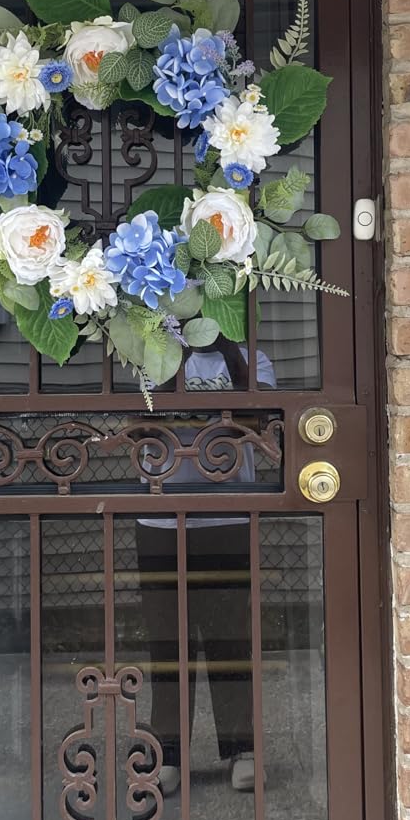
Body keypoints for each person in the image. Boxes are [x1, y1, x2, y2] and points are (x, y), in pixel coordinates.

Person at [134, 341, 276, 796]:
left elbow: (256, 424)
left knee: (229, 636)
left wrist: (229, 351)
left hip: (228, 513)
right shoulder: (149, 350)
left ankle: (242, 749)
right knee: (167, 640)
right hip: (160, 515)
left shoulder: (252, 359)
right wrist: (170, 351)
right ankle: (168, 753)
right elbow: (144, 423)